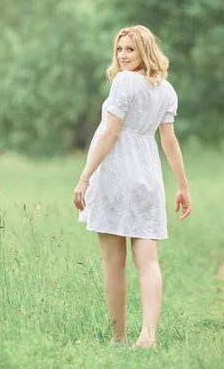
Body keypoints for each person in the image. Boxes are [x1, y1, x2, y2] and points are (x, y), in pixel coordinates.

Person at [72, 25, 192, 350]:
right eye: (120, 49)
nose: (123, 56)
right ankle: (148, 336)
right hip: (149, 178)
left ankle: (119, 338)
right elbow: (168, 141)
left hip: (116, 175)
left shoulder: (124, 82)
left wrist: (85, 177)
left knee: (114, 262)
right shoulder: (166, 89)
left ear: (144, 52)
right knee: (148, 261)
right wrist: (182, 186)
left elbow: (110, 133)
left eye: (130, 49)